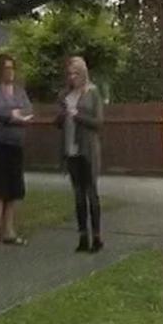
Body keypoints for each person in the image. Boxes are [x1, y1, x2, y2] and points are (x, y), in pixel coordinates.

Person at [0, 53, 33, 249]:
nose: (10, 72)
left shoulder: (19, 90)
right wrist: (14, 114)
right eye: (6, 68)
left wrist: (15, 114)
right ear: (0, 70)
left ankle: (9, 231)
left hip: (15, 145)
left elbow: (28, 110)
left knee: (13, 189)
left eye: (12, 68)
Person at [55, 56, 104, 253]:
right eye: (70, 74)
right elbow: (58, 123)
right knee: (77, 195)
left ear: (83, 73)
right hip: (70, 150)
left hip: (88, 149)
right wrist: (61, 116)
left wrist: (78, 115)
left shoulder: (92, 93)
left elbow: (99, 122)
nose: (72, 77)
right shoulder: (64, 95)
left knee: (91, 192)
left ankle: (97, 237)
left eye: (76, 73)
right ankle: (83, 236)